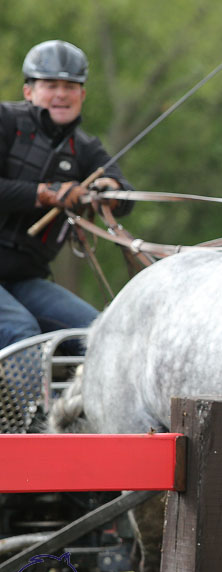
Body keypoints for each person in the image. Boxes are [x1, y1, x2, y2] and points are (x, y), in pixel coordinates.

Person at [0, 40, 133, 352]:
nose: (61, 94)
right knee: (21, 331)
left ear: (82, 94)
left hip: (25, 279)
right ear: (29, 90)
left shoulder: (86, 149)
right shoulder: (5, 121)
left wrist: (108, 192)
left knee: (100, 333)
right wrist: (48, 193)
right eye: (50, 85)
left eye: (70, 86)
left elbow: (125, 194)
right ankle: (32, 404)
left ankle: (76, 403)